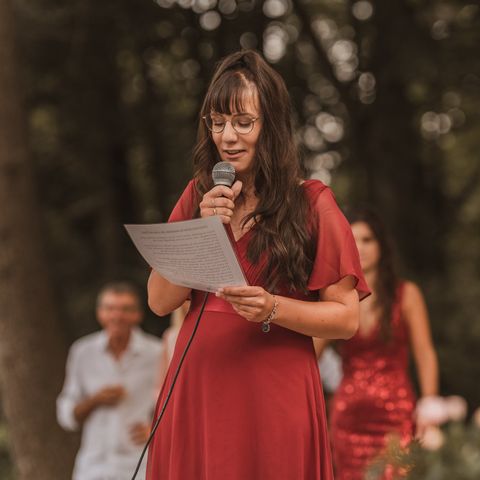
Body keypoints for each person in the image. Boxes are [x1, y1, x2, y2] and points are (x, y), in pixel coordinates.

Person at [145, 49, 369, 480]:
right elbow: (158, 301)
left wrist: (272, 308)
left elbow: (346, 318)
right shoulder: (197, 196)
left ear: (273, 126)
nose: (228, 136)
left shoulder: (313, 203)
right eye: (217, 122)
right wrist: (199, 230)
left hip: (275, 384)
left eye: (243, 123)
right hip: (199, 386)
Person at [314, 208, 439, 480]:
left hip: (396, 416)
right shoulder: (337, 297)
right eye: (353, 240)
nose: (360, 247)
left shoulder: (406, 294)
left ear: (382, 245)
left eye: (368, 239)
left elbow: (425, 353)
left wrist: (429, 407)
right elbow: (312, 353)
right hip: (348, 419)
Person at [56, 282, 162, 480]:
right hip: (92, 467)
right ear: (100, 313)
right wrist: (94, 400)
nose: (117, 316)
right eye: (110, 308)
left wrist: (156, 430)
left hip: (139, 465)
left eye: (125, 309)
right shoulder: (82, 351)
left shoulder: (156, 352)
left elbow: (173, 404)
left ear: (138, 315)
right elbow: (66, 413)